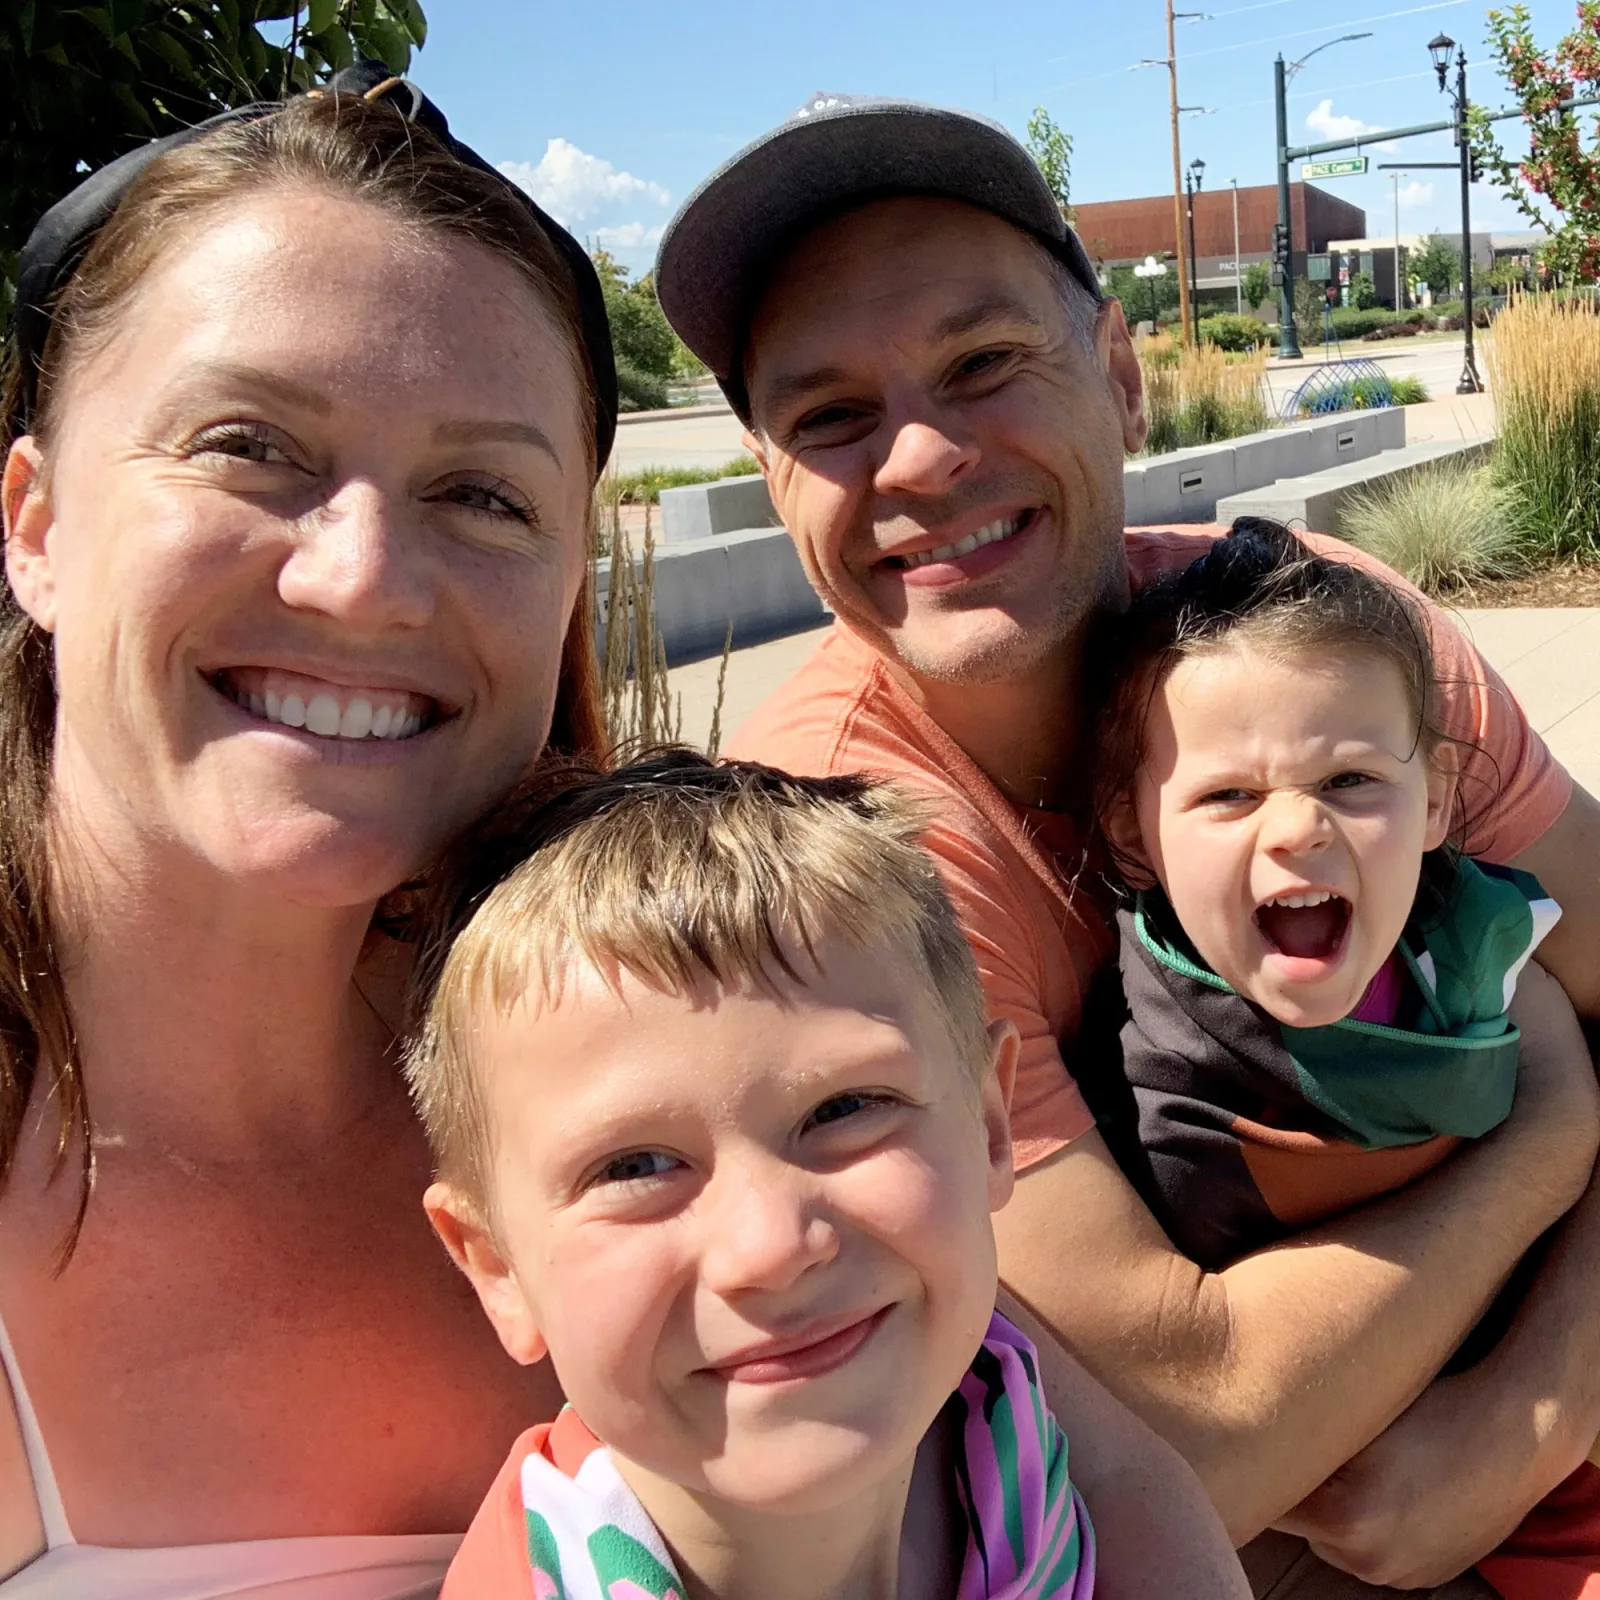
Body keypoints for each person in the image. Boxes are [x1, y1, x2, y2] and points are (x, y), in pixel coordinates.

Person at [654, 92, 1600, 1594]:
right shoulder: (826, 858)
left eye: (983, 362)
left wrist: (1541, 1402)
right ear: (772, 481)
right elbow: (1202, 1436)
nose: (917, 457)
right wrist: (1549, 1131)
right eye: (828, 417)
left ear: (1120, 374)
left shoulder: (1322, 640)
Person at [0, 67, 617, 1595]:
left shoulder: (675, 1052)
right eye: (247, 444)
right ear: (35, 526)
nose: (364, 581)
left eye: (483, 493)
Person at [403, 750, 1249, 1599]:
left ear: (990, 1125)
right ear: (496, 1268)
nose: (771, 1247)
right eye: (634, 1166)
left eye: (845, 1108)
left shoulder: (1001, 1406)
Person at [1090, 518, 1559, 1273]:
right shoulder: (1150, 1115)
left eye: (1349, 779)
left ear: (1435, 800)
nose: (1299, 829)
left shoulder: (1476, 932)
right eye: (1229, 794)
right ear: (1134, 835)